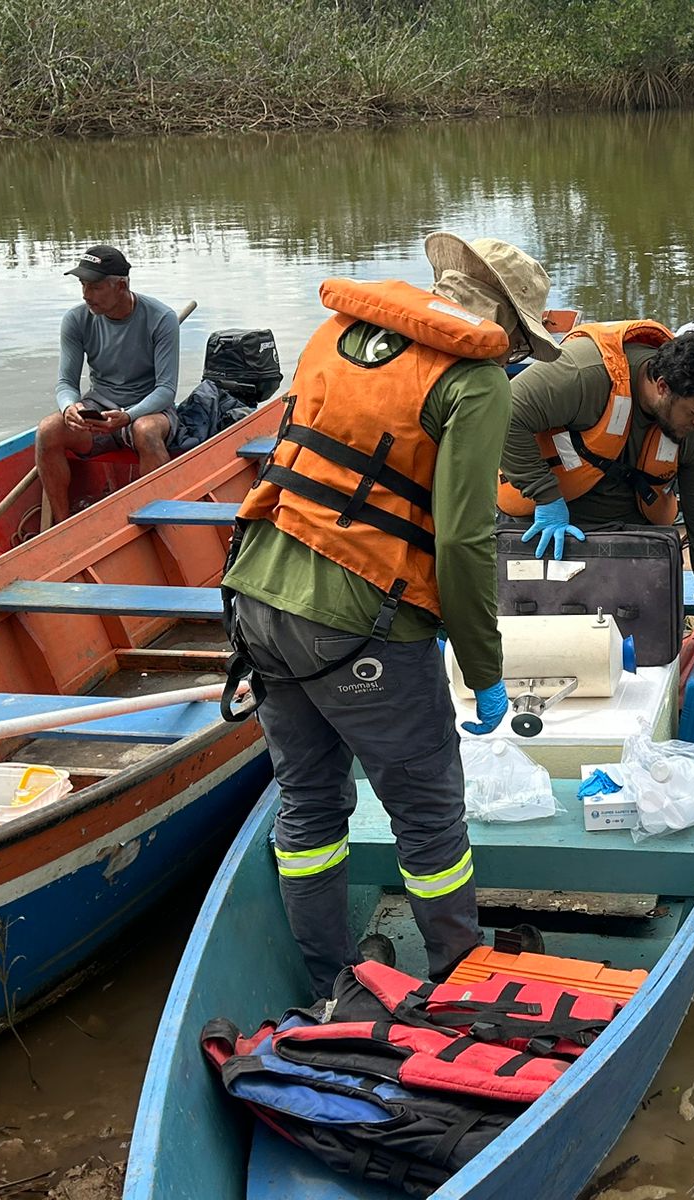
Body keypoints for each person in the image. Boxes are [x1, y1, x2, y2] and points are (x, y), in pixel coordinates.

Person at [220, 234, 560, 997]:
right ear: (506, 322)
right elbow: (467, 541)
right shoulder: (474, 382)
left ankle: (332, 980)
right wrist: (484, 669)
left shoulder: (334, 332)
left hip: (256, 599)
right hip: (360, 630)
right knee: (430, 816)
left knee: (306, 807)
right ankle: (455, 983)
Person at [499, 321, 694, 666]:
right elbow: (504, 414)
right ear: (663, 386)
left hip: (630, 545)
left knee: (639, 662)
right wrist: (545, 496)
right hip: (544, 530)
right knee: (532, 651)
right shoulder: (582, 375)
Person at [36, 244, 181, 525]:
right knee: (48, 430)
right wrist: (69, 408)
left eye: (95, 287)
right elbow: (66, 382)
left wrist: (128, 416)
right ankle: (62, 526)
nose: (86, 296)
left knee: (146, 431)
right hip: (99, 410)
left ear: (121, 285)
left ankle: (157, 523)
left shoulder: (162, 319)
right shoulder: (76, 320)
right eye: (83, 285)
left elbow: (166, 390)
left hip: (148, 409)